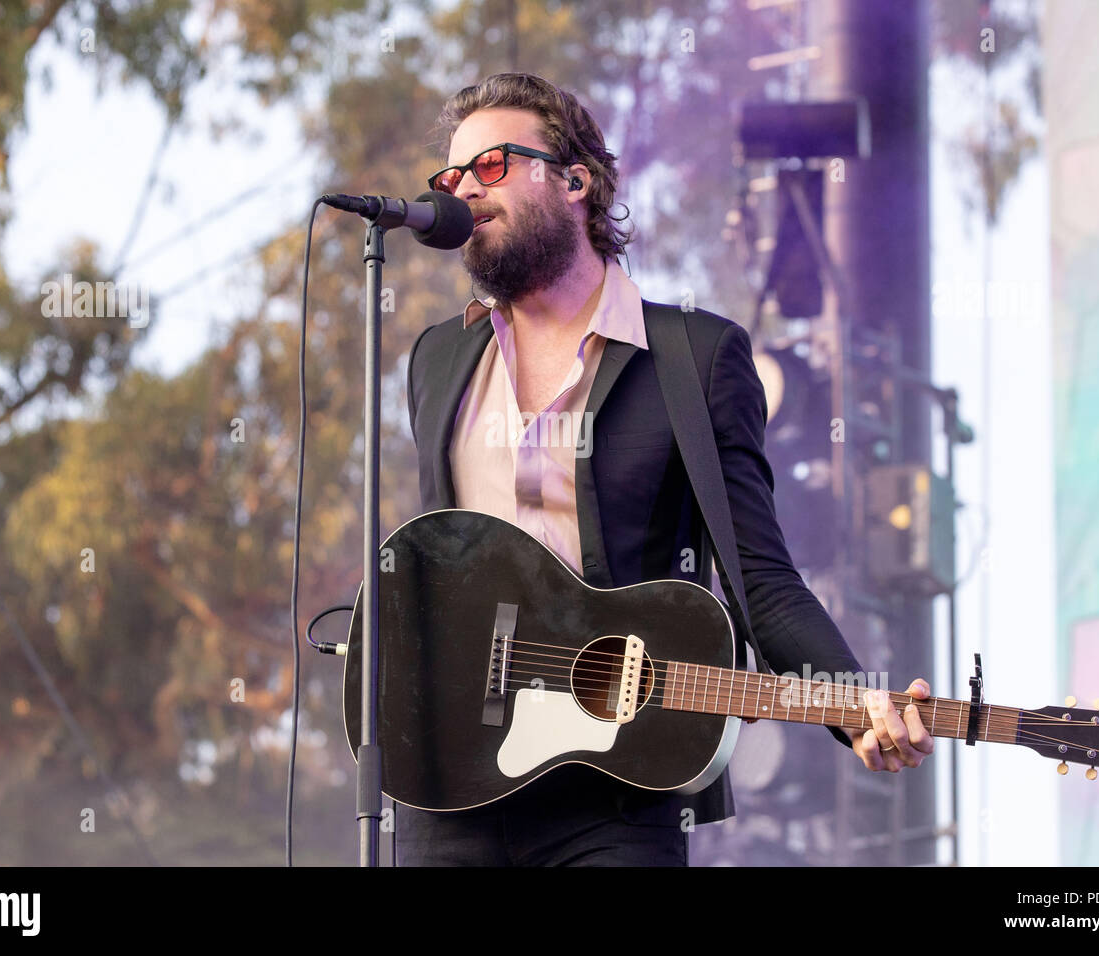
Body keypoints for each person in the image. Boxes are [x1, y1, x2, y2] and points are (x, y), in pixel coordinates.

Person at [398, 72, 933, 866]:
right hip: (452, 784)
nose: (464, 190)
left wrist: (852, 700)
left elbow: (760, 578)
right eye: (451, 176)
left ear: (576, 181)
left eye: (494, 166)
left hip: (618, 790)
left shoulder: (694, 359)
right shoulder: (439, 358)